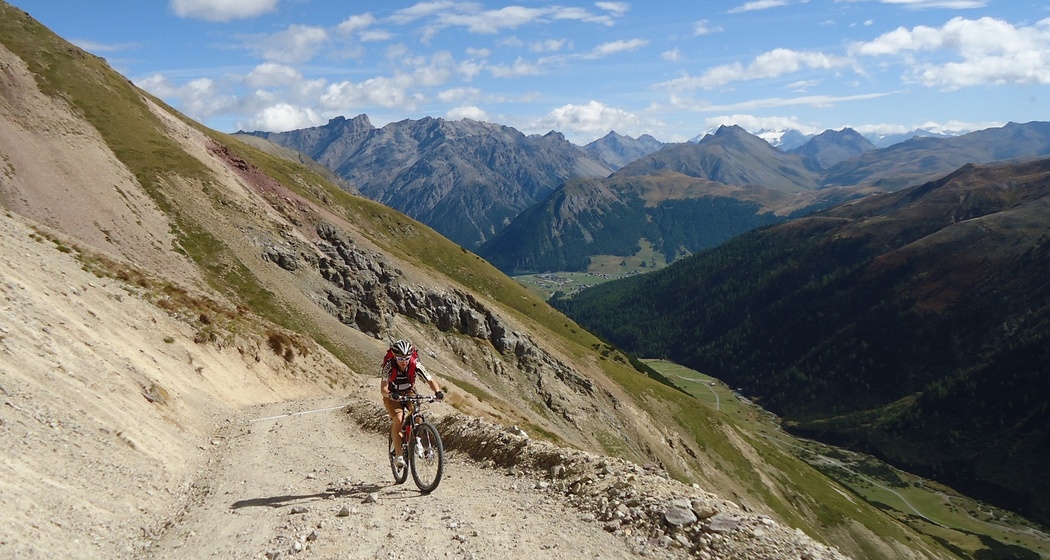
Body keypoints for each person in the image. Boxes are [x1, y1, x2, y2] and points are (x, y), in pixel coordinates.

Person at [381, 339, 444, 469]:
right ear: (394, 356)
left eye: (407, 358)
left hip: (409, 391)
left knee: (417, 415)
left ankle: (419, 440)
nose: (404, 362)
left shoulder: (415, 364)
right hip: (393, 394)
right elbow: (383, 389)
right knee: (398, 418)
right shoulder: (388, 366)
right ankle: (398, 456)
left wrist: (437, 391)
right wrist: (391, 395)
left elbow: (430, 380)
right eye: (400, 358)